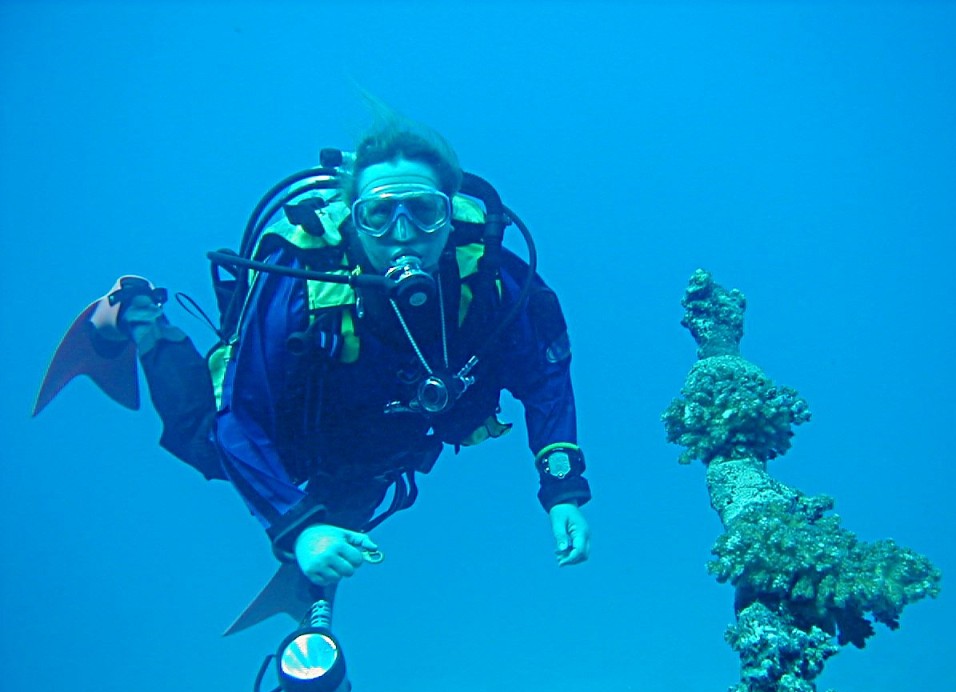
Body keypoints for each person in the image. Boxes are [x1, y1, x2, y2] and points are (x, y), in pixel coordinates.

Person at [35, 109, 591, 626]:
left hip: (378, 425)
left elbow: (543, 376)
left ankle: (311, 572)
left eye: (424, 212)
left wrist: (562, 489)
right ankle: (137, 314)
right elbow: (240, 417)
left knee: (365, 477)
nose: (403, 235)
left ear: (451, 214)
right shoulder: (303, 276)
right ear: (356, 217)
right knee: (205, 444)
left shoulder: (489, 274)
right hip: (299, 410)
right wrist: (297, 529)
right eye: (380, 214)